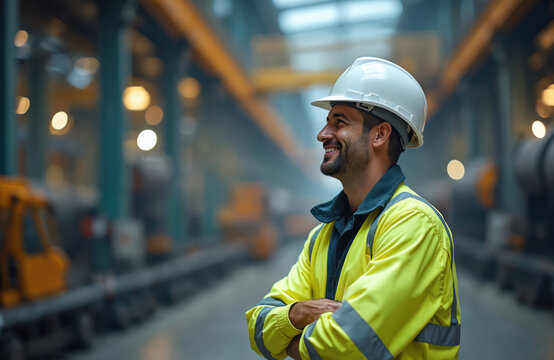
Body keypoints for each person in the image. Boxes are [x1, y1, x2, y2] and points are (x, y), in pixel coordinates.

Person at [245, 57, 461, 359]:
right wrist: (296, 313)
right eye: (326, 121)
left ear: (380, 134)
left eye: (339, 122)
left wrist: (291, 343)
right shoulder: (323, 234)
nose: (322, 134)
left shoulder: (414, 225)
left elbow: (350, 345)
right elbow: (258, 325)